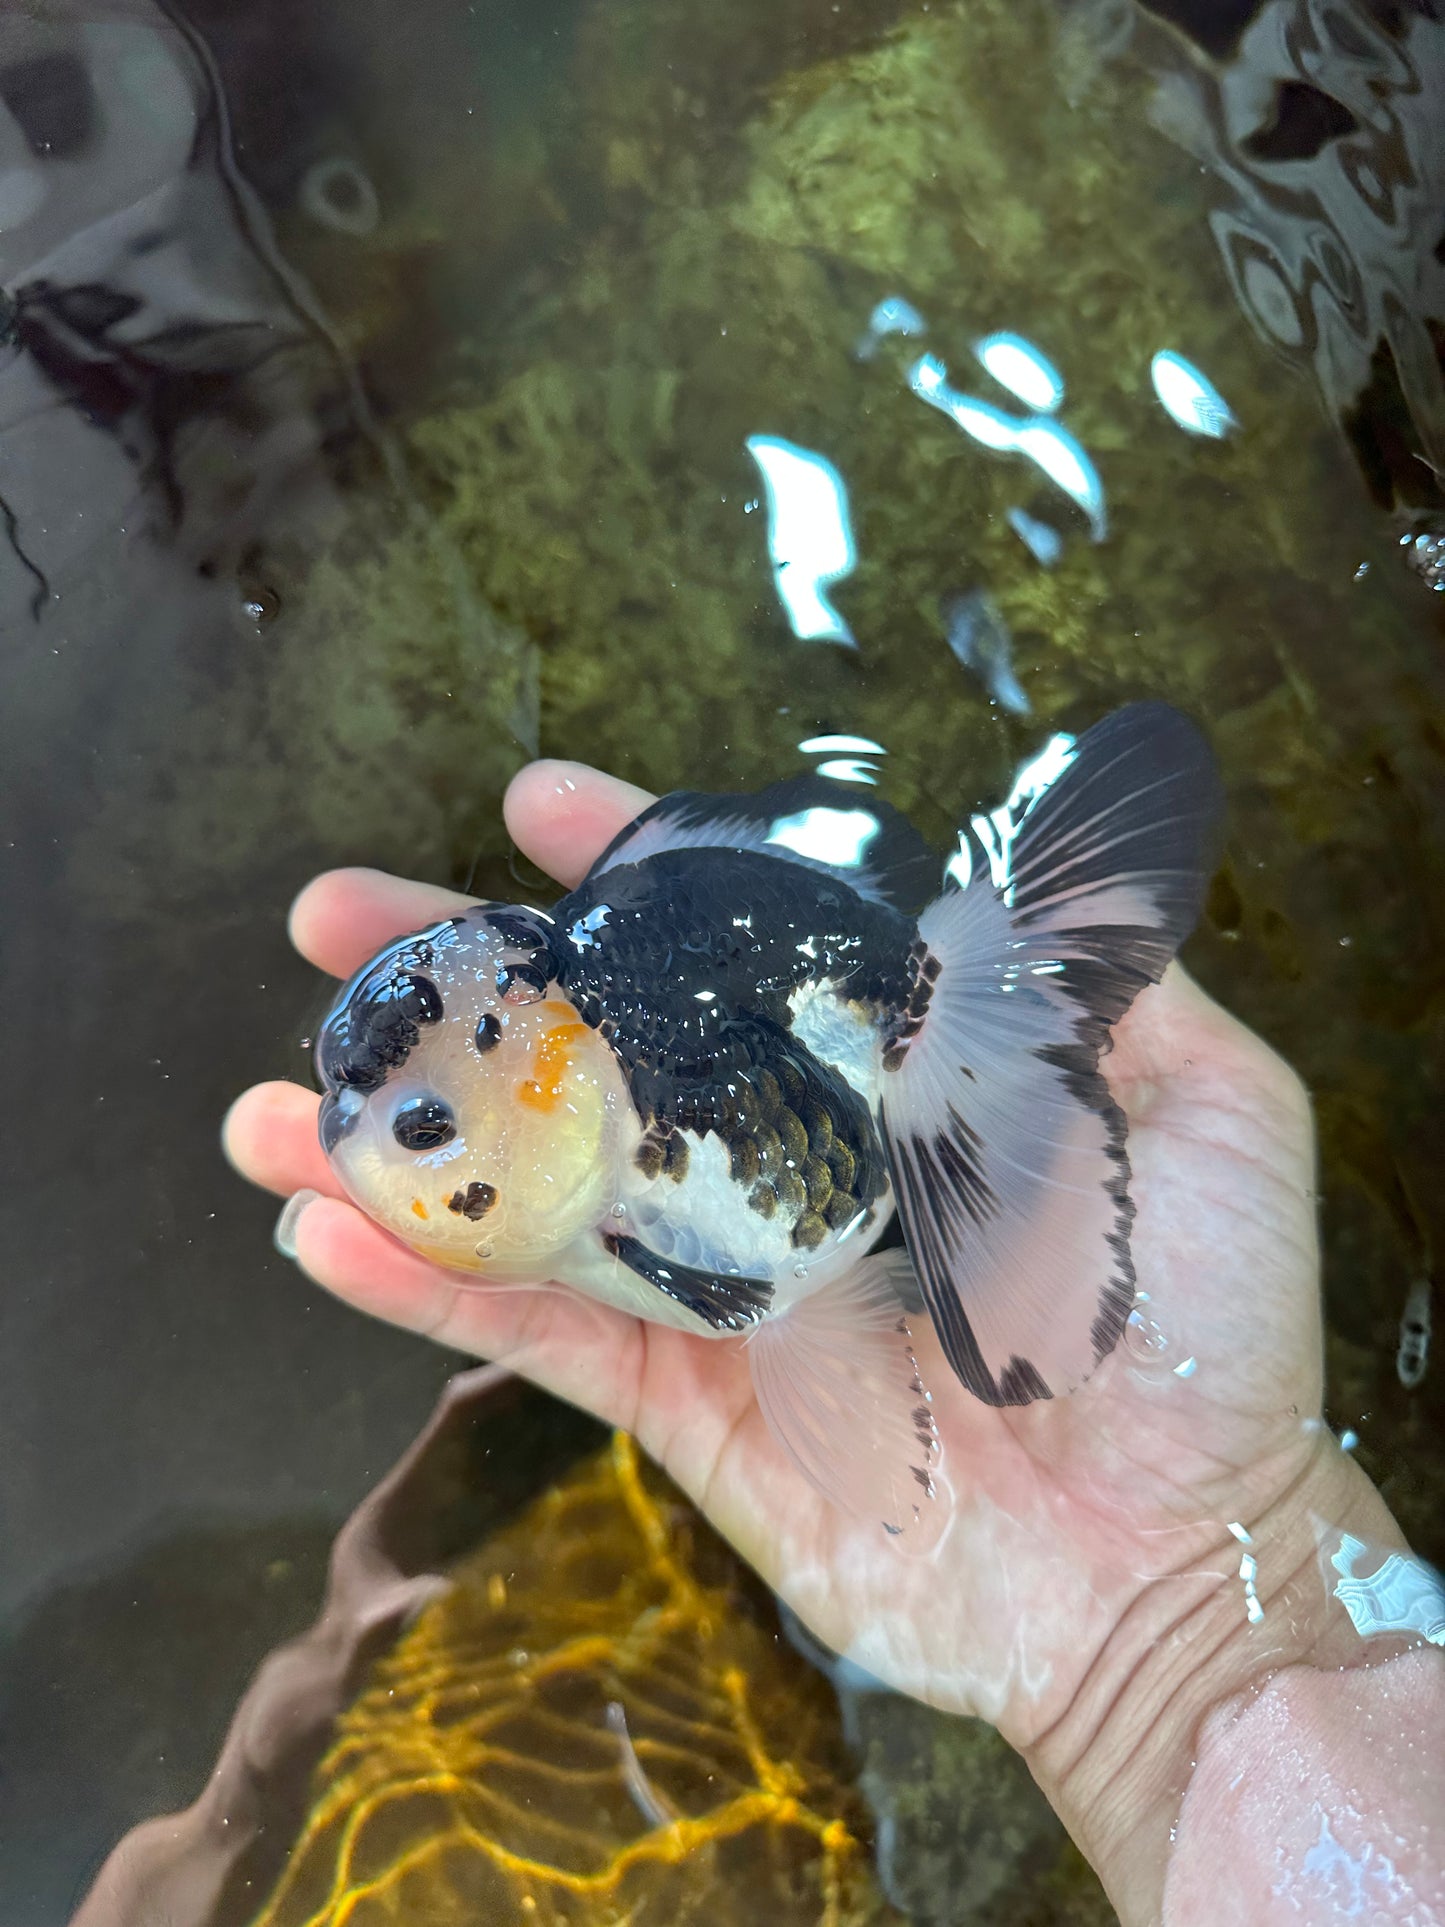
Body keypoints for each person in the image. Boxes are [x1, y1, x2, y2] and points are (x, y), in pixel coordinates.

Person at [224, 758, 1445, 1925]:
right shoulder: (592, 1151)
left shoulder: (669, 1162)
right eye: (370, 1094)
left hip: (854, 1081)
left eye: (426, 1125)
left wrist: (1218, 1609)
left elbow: (778, 1300)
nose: (361, 1137)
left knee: (800, 1268)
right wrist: (1244, 1603)